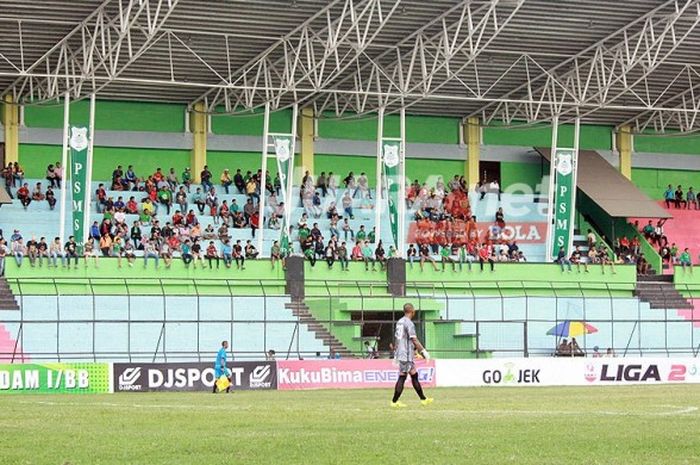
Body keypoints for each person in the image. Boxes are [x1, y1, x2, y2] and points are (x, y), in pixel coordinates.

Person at [391, 303, 433, 408]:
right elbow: (414, 339)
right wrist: (423, 351)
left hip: (403, 353)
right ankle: (394, 401)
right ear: (412, 311)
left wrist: (397, 352)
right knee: (402, 376)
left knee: (414, 375)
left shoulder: (399, 322)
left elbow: (399, 338)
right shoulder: (409, 323)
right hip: (406, 354)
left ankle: (423, 399)